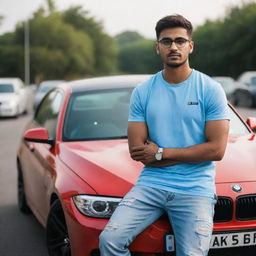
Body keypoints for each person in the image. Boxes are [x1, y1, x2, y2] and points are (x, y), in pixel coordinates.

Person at [99, 14, 230, 256]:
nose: (173, 47)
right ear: (157, 47)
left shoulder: (210, 89)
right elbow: (138, 151)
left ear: (190, 46)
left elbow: (216, 150)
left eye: (180, 41)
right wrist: (192, 152)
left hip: (195, 188)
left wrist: (160, 153)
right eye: (166, 41)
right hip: (151, 184)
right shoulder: (143, 91)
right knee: (110, 240)